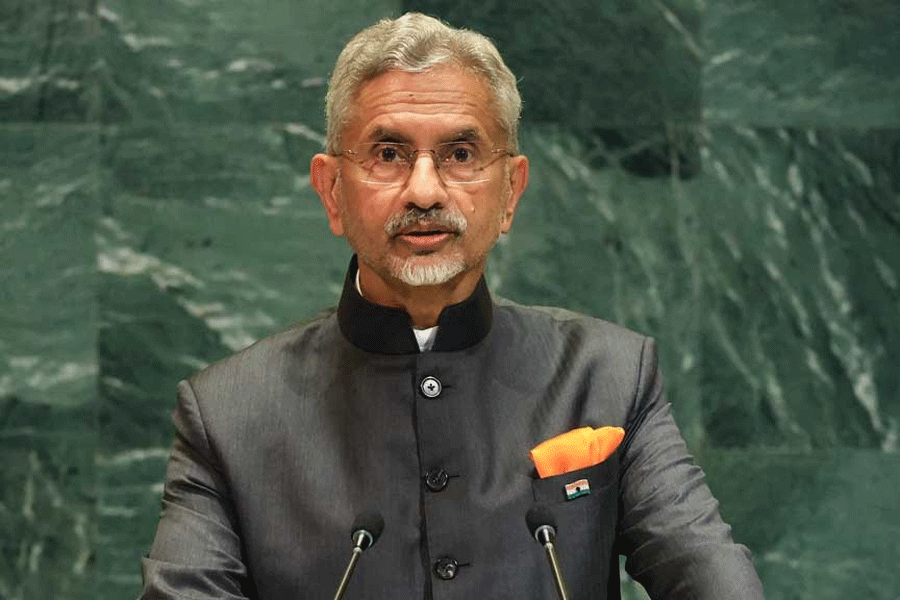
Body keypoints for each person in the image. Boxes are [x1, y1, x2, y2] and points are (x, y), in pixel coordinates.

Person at [140, 12, 765, 600]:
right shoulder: (226, 416)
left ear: (511, 191)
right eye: (388, 155)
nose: (424, 188)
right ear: (332, 191)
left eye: (460, 155)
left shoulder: (608, 376)